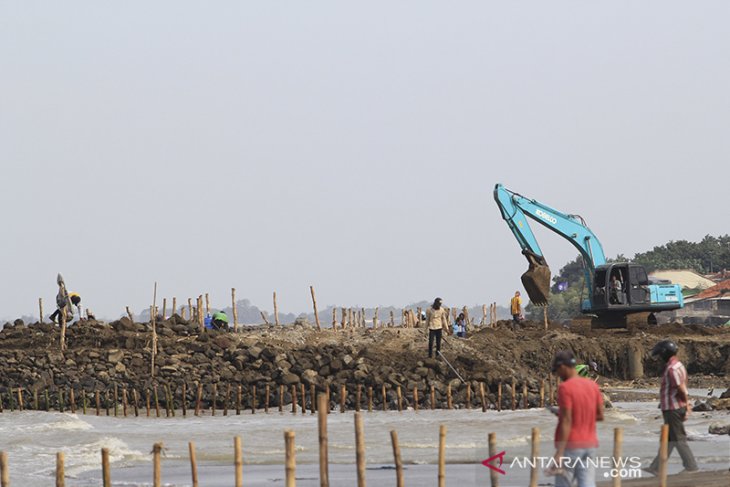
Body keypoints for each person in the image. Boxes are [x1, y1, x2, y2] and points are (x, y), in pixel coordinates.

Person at [548, 350, 604, 487]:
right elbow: (600, 416)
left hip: (572, 444)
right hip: (590, 444)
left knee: (563, 483)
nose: (558, 375)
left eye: (557, 371)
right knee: (587, 483)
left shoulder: (565, 388)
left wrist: (559, 452)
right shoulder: (593, 385)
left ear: (563, 367)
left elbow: (567, 421)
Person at [644, 340, 698, 476]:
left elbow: (680, 387)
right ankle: (655, 467)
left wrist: (687, 405)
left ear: (664, 354)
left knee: (678, 439)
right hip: (672, 407)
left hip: (673, 408)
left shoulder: (672, 369)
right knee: (669, 440)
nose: (659, 358)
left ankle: (691, 467)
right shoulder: (678, 365)